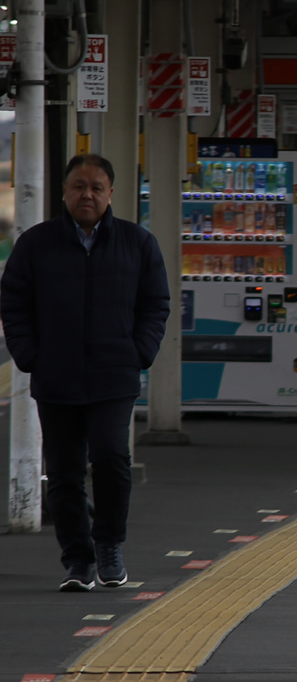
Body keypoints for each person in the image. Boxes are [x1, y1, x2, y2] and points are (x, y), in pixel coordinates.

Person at [1, 154, 170, 592]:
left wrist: (139, 352)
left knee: (112, 458)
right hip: (56, 376)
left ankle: (109, 546)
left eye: (96, 187)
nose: (87, 195)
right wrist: (30, 356)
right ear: (64, 192)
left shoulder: (138, 243)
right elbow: (13, 302)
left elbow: (156, 304)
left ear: (110, 193)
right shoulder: (36, 244)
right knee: (64, 473)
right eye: (79, 186)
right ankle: (78, 560)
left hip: (115, 374)